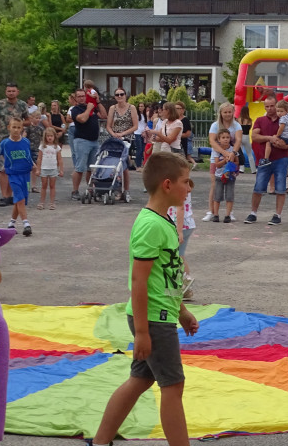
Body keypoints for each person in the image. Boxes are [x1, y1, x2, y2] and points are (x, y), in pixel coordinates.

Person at [91, 153, 198, 446]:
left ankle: (101, 441)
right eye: (186, 182)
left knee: (140, 380)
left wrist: (182, 311)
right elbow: (138, 282)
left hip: (159, 315)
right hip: (152, 321)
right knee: (173, 386)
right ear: (167, 184)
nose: (189, 188)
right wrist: (141, 332)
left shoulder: (161, 221)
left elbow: (165, 279)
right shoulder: (151, 226)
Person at [246, 95, 288, 226]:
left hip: (281, 157)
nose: (270, 108)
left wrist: (286, 146)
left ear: (277, 105)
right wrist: (269, 138)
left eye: (272, 106)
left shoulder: (284, 119)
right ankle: (253, 213)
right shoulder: (260, 120)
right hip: (264, 159)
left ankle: (277, 215)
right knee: (258, 186)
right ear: (264, 106)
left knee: (280, 187)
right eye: (267, 106)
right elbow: (254, 136)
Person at [0, 84, 29, 207]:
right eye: (9, 91)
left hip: (17, 140)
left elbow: (28, 120)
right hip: (3, 139)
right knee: (3, 169)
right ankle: (4, 196)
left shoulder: (22, 105)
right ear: (5, 92)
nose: (11, 93)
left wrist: (19, 123)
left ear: (17, 92)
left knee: (14, 168)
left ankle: (12, 194)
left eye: (13, 91)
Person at [0, 118, 34, 237]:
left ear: (22, 129)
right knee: (20, 199)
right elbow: (2, 156)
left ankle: (11, 223)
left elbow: (28, 156)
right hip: (13, 174)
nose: (16, 130)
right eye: (14, 127)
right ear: (9, 127)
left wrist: (34, 166)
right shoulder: (5, 143)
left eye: (19, 127)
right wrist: (5, 166)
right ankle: (26, 224)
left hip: (26, 174)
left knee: (20, 199)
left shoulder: (26, 142)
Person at [69, 88, 105, 200]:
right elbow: (82, 119)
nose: (81, 98)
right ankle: (75, 191)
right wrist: (89, 108)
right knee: (80, 167)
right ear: (75, 98)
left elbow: (104, 115)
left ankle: (90, 189)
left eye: (83, 96)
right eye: (79, 96)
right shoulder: (75, 109)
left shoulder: (92, 106)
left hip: (94, 141)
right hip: (82, 141)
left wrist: (97, 102)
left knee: (92, 168)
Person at [106, 88, 139, 195]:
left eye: (121, 94)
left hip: (127, 139)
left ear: (125, 95)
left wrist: (122, 134)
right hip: (115, 138)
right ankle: (115, 186)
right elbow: (108, 126)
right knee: (113, 163)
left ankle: (126, 189)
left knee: (124, 165)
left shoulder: (131, 108)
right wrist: (114, 134)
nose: (119, 96)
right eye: (117, 95)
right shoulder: (112, 108)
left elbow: (135, 126)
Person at [170, 177, 197, 300]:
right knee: (180, 254)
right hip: (185, 224)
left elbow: (180, 208)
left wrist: (179, 230)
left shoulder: (180, 186)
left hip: (181, 225)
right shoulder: (184, 184)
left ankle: (184, 282)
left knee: (177, 256)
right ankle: (185, 287)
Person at [210, 130, 238, 223]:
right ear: (219, 139)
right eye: (223, 138)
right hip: (219, 175)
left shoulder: (233, 149)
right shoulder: (216, 150)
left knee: (229, 196)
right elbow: (217, 164)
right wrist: (225, 161)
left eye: (227, 137)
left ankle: (227, 215)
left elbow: (237, 162)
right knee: (217, 196)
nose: (226, 140)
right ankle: (216, 214)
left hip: (230, 176)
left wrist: (232, 161)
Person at [35, 127, 64, 211]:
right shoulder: (42, 146)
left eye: (51, 136)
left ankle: (52, 203)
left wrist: (61, 170)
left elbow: (60, 159)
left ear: (54, 136)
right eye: (48, 136)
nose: (50, 138)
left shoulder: (56, 147)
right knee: (43, 186)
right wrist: (38, 169)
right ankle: (42, 202)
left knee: (52, 186)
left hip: (53, 169)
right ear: (45, 137)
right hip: (44, 168)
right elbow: (39, 158)